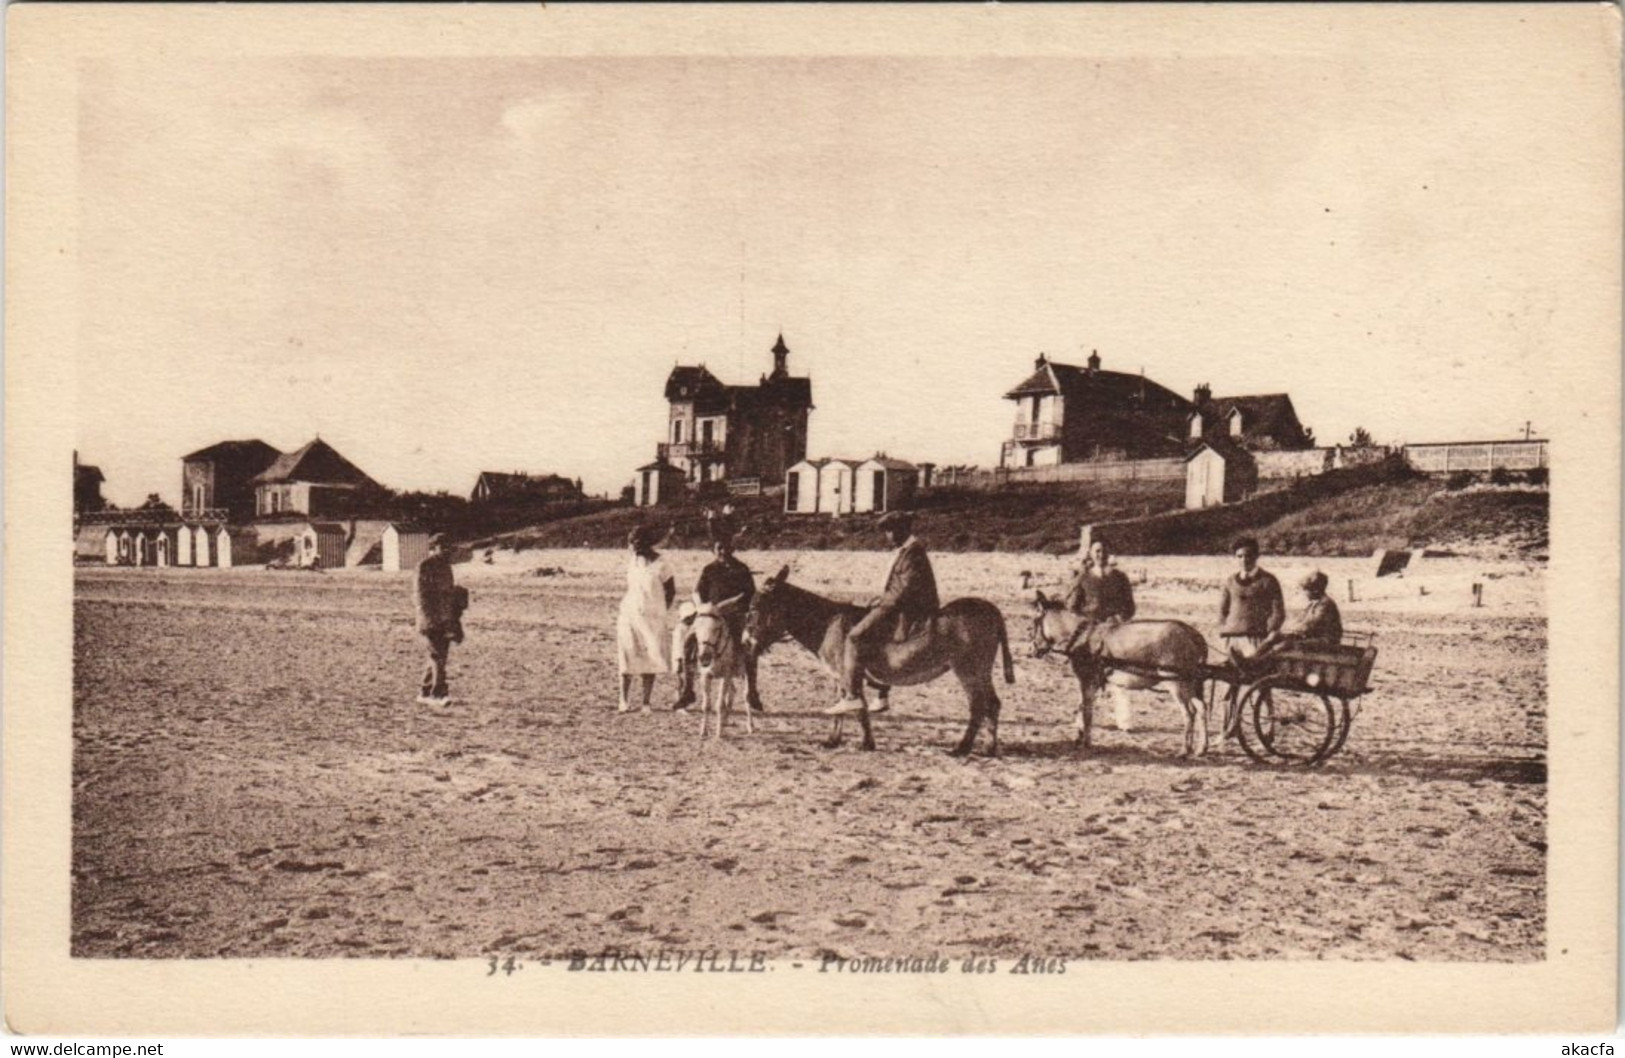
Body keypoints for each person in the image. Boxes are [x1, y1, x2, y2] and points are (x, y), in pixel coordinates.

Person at [827, 510, 939, 716]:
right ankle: (881, 694)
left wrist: (882, 602)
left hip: (909, 609)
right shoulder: (907, 550)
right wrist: (880, 599)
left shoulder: (913, 553)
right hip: (901, 604)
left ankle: (851, 696)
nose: (887, 536)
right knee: (873, 635)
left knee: (854, 637)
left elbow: (904, 590)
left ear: (902, 530)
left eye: (890, 531)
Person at [673, 512, 765, 714]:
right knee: (689, 641)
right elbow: (698, 591)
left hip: (734, 614)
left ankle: (752, 692)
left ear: (733, 548)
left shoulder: (742, 569)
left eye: (726, 548)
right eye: (719, 548)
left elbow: (749, 595)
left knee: (749, 647)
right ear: (714, 550)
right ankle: (688, 689)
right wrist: (700, 607)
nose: (723, 551)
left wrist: (736, 606)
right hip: (710, 613)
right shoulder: (709, 569)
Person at [616, 523, 676, 713]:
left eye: (633, 543)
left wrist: (659, 611)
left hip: (653, 618)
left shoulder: (662, 564)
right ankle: (623, 700)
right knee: (627, 655)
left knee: (650, 657)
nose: (630, 547)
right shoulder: (633, 561)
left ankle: (646, 702)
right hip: (629, 615)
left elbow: (671, 591)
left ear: (642, 543)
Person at [1061, 535, 1137, 657]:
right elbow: (1072, 606)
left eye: (1104, 551)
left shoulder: (1120, 577)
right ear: (1090, 553)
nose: (1101, 555)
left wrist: (1119, 617)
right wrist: (1087, 619)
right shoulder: (1083, 578)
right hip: (1091, 629)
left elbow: (1130, 606)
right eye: (1097, 551)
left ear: (1109, 553)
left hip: (1117, 627)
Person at [1218, 536, 1285, 665]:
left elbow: (1278, 612)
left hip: (1255, 638)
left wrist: (1268, 633)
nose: (1244, 560)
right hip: (1231, 638)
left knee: (1253, 672)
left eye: (1248, 555)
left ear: (1256, 556)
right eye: (1239, 556)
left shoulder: (1268, 581)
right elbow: (1222, 610)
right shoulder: (1230, 581)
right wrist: (1224, 629)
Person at [413, 534, 462, 706]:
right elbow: (421, 597)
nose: (447, 550)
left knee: (439, 656)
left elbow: (447, 595)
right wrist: (429, 621)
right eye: (443, 547)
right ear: (434, 547)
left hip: (446, 619)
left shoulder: (446, 567)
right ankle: (438, 694)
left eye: (449, 547)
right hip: (432, 620)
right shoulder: (425, 566)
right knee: (437, 656)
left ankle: (425, 692)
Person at [1258, 570, 1343, 654]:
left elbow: (1311, 624)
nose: (1304, 593)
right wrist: (1288, 629)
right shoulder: (1314, 604)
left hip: (1326, 641)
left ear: (1315, 590)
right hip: (1313, 637)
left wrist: (1291, 631)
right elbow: (1301, 619)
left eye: (1306, 590)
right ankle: (1254, 657)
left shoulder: (1325, 604)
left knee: (1285, 645)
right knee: (1274, 636)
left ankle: (1266, 659)